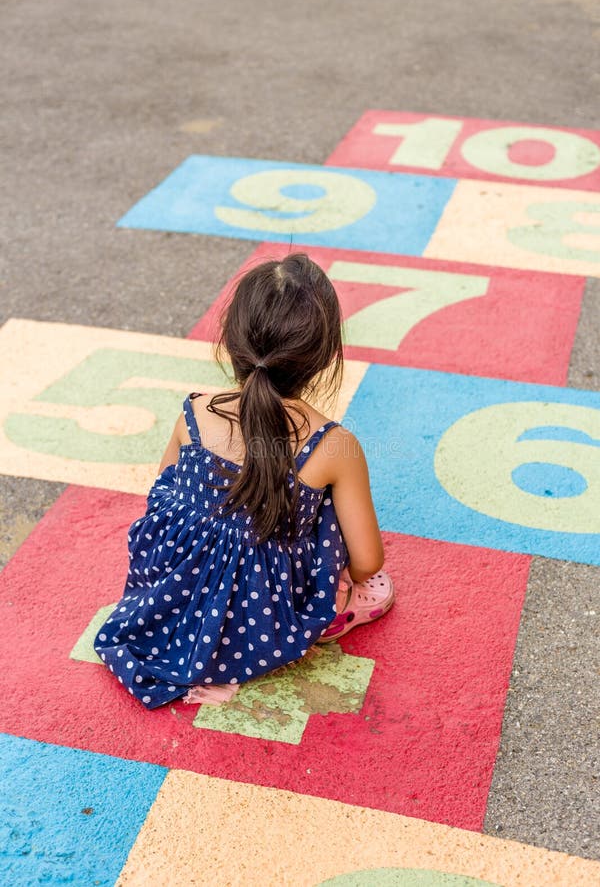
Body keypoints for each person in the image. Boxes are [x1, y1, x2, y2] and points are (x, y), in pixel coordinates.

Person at [94, 253, 394, 710]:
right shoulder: (334, 444)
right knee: (327, 505)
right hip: (261, 624)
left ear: (229, 340)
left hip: (171, 600)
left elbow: (161, 506)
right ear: (327, 356)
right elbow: (368, 560)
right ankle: (337, 608)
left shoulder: (194, 412)